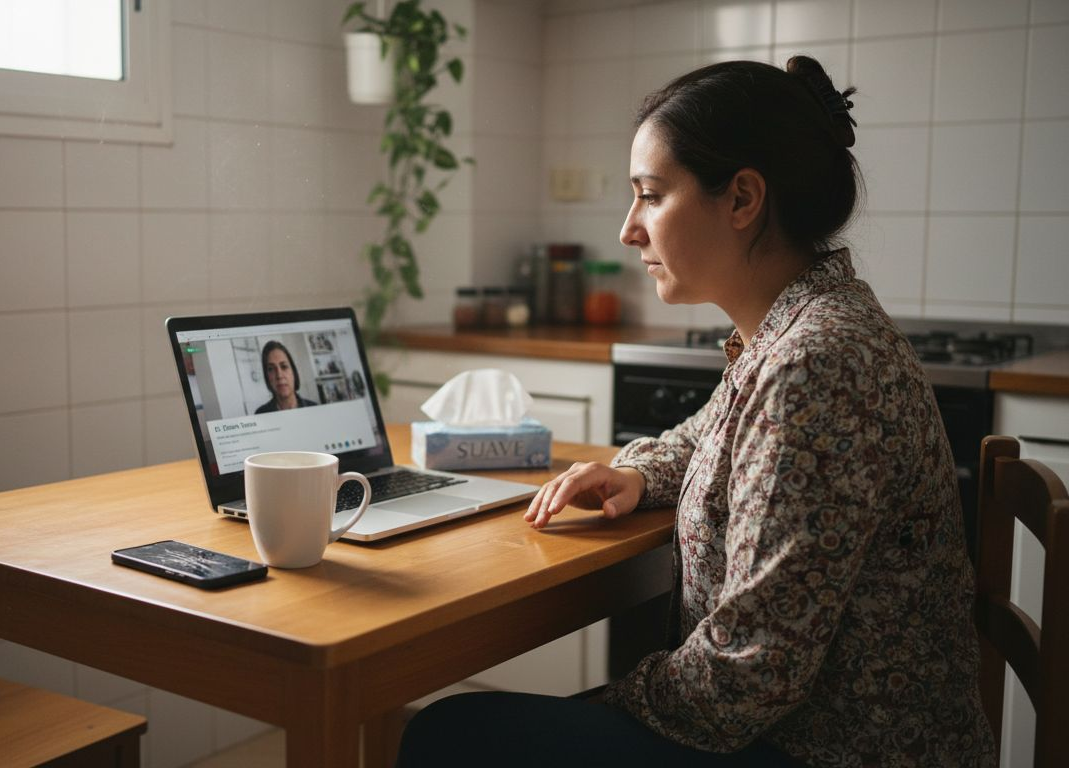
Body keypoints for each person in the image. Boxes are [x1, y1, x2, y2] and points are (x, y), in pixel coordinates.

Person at [396, 56, 996, 767]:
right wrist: (639, 474)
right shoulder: (799, 329)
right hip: (791, 730)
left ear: (742, 199)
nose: (628, 230)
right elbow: (709, 435)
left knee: (450, 734)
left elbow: (748, 672)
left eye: (650, 196)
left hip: (828, 749)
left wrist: (605, 705)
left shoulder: (815, 362)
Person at [254, 340, 318, 414]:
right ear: (267, 376)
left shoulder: (314, 409)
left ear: (293, 372)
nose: (279, 375)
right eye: (271, 369)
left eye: (284, 366)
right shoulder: (260, 414)